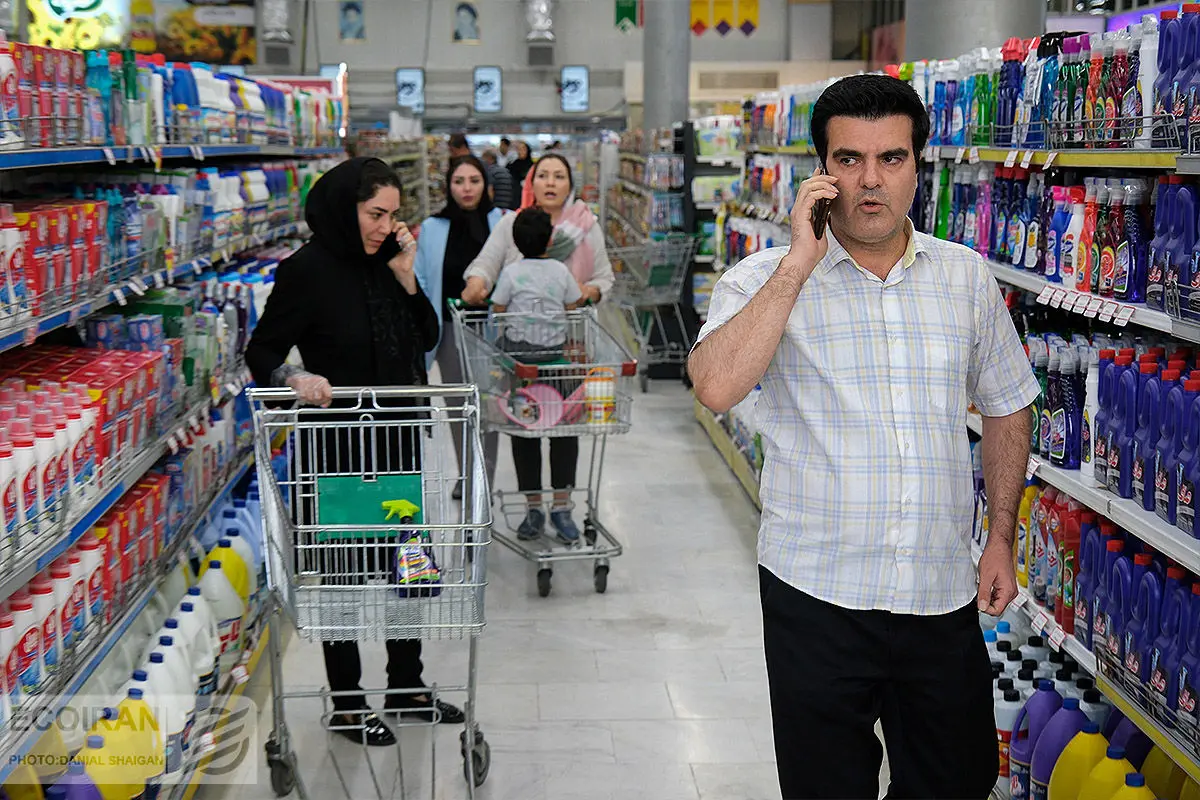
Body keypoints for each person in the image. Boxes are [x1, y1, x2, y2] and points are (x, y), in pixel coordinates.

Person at [688, 74, 1036, 799]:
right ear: (821, 171)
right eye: (849, 159)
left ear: (918, 166)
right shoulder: (764, 278)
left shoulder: (965, 277)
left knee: (956, 780)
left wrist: (1001, 535)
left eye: (891, 158)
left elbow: (1008, 404)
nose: (871, 180)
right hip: (816, 596)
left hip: (938, 593)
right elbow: (714, 385)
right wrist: (797, 264)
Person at [245, 157, 465, 748]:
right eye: (375, 214)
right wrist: (296, 378)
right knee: (342, 580)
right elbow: (262, 350)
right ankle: (347, 703)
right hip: (337, 450)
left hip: (395, 443)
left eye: (393, 215)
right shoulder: (305, 270)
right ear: (346, 208)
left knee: (406, 572)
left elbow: (426, 337)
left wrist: (406, 275)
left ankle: (407, 687)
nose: (386, 226)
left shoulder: (388, 262)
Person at [462, 154, 613, 542]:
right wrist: (476, 284)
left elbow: (604, 278)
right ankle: (532, 508)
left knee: (565, 428)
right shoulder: (513, 223)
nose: (550, 182)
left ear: (569, 185)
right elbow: (485, 264)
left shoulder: (587, 225)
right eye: (542, 175)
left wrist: (589, 293)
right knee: (524, 426)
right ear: (531, 182)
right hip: (520, 357)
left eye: (559, 176)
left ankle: (561, 507)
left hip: (570, 350)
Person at [413, 154, 504, 496]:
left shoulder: (501, 221)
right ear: (449, 186)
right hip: (449, 331)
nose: (467, 189)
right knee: (457, 406)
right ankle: (466, 474)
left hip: (492, 331)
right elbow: (422, 280)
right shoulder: (432, 228)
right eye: (459, 181)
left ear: (485, 185)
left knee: (489, 408)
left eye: (474, 181)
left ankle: (484, 481)